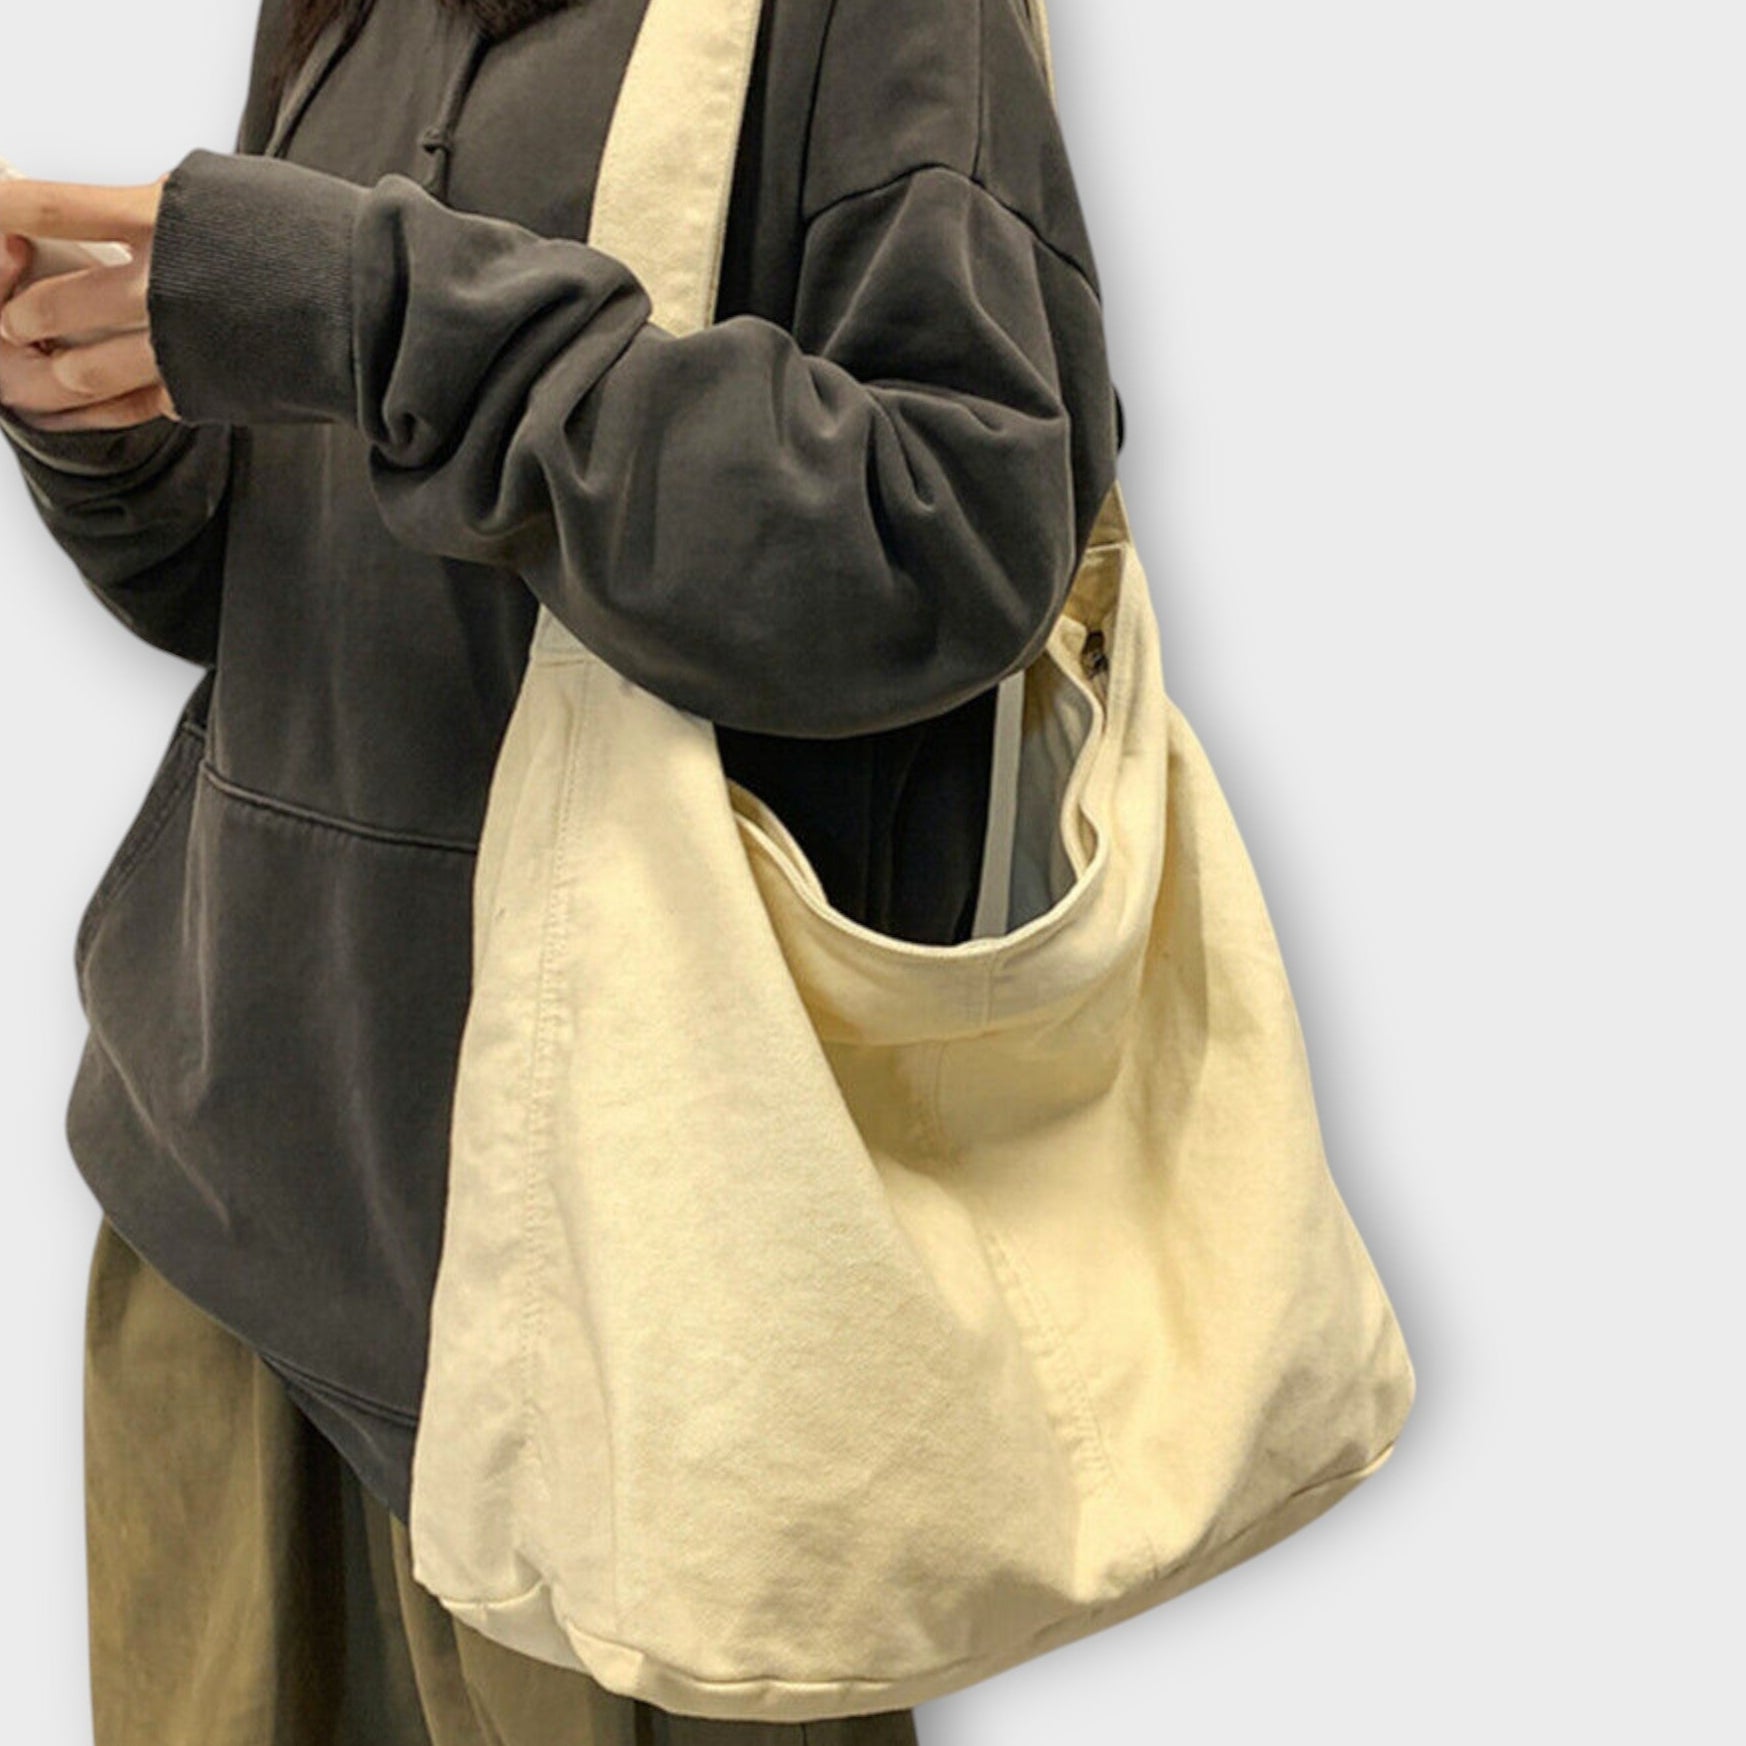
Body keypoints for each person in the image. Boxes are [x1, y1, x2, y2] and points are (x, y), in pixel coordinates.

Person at [0, 0, 1123, 1738]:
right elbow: (274, 599)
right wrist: (105, 427)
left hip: (635, 1312)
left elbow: (940, 541)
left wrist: (373, 304)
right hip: (224, 1234)